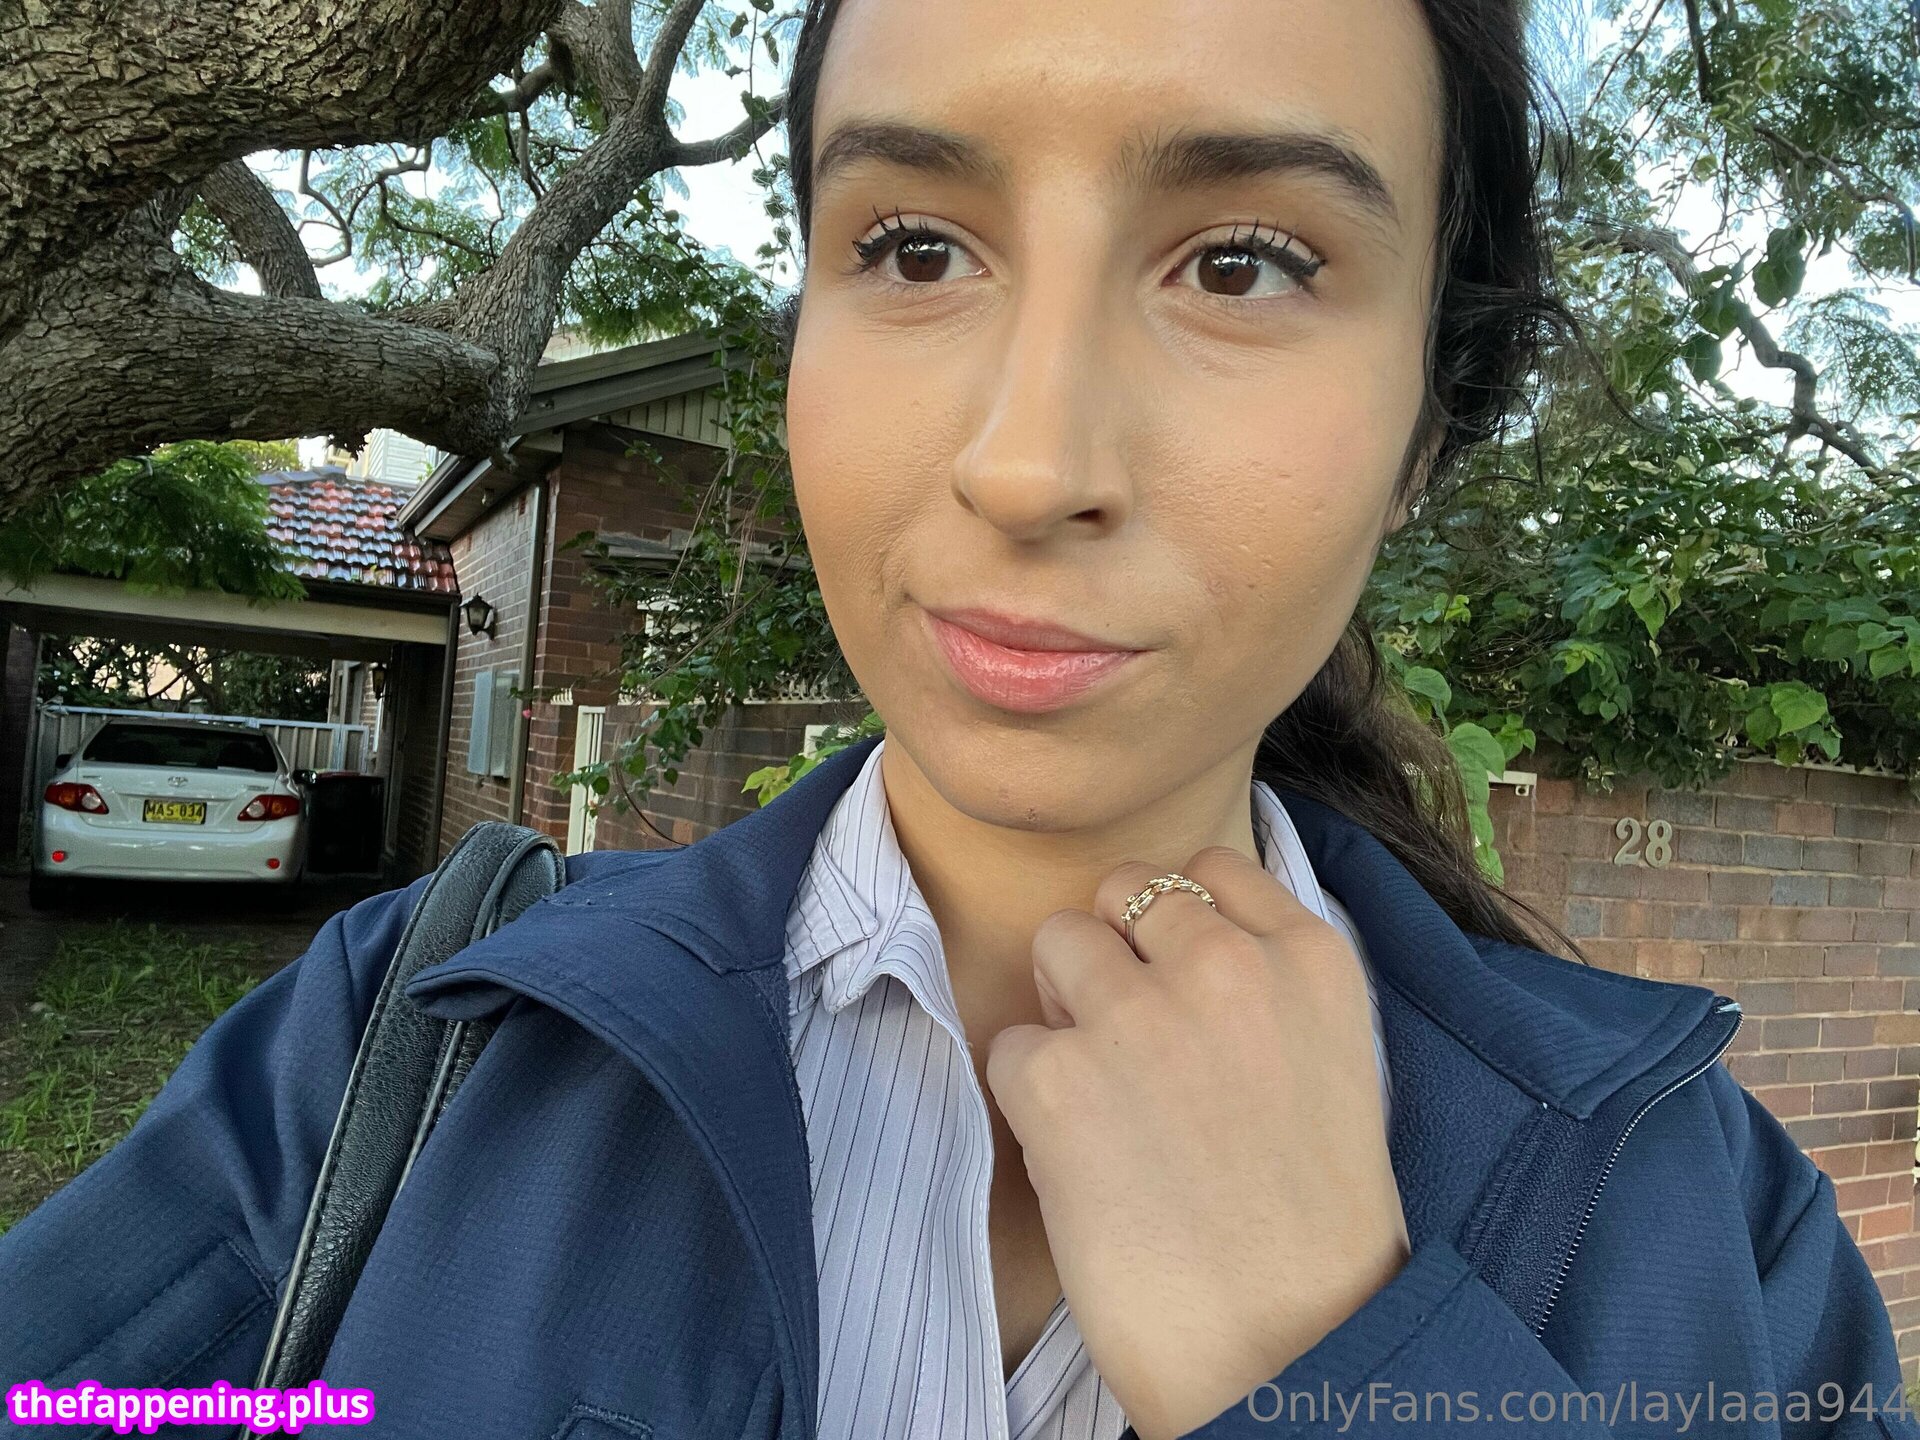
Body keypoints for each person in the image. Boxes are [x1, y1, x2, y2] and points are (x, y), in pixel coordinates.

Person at [2, 0, 1913, 1436]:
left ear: (1431, 418)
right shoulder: (404, 1050)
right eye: (914, 247)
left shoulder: (1714, 1231)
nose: (1029, 463)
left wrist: (1335, 1360)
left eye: (1241, 263)